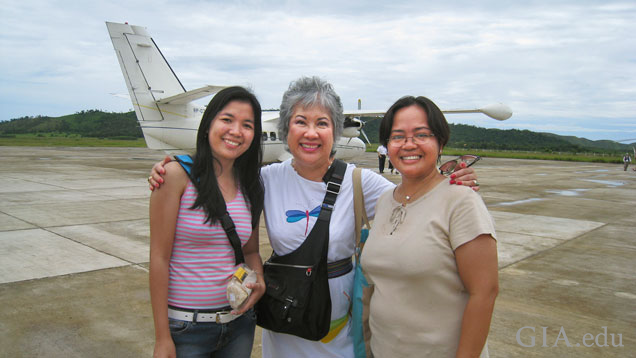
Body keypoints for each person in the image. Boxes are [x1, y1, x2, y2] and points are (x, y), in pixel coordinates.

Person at [149, 78, 480, 357]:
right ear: (286, 129)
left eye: (322, 123)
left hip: (338, 331)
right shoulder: (265, 179)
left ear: (335, 131)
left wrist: (449, 182)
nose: (311, 133)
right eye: (300, 122)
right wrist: (172, 168)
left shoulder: (360, 182)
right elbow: (220, 180)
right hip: (284, 327)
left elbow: (416, 198)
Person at [361, 95, 499, 358]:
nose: (408, 144)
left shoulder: (462, 201)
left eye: (421, 134)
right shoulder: (384, 201)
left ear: (441, 142)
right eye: (397, 136)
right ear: (387, 146)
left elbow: (484, 292)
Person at [148, 86, 266, 358]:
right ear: (208, 123)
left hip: (238, 324)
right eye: (227, 120)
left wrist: (258, 277)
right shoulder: (174, 176)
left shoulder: (251, 185)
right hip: (186, 328)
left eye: (247, 125)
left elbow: (250, 251)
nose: (236, 131)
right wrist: (162, 337)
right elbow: (158, 259)